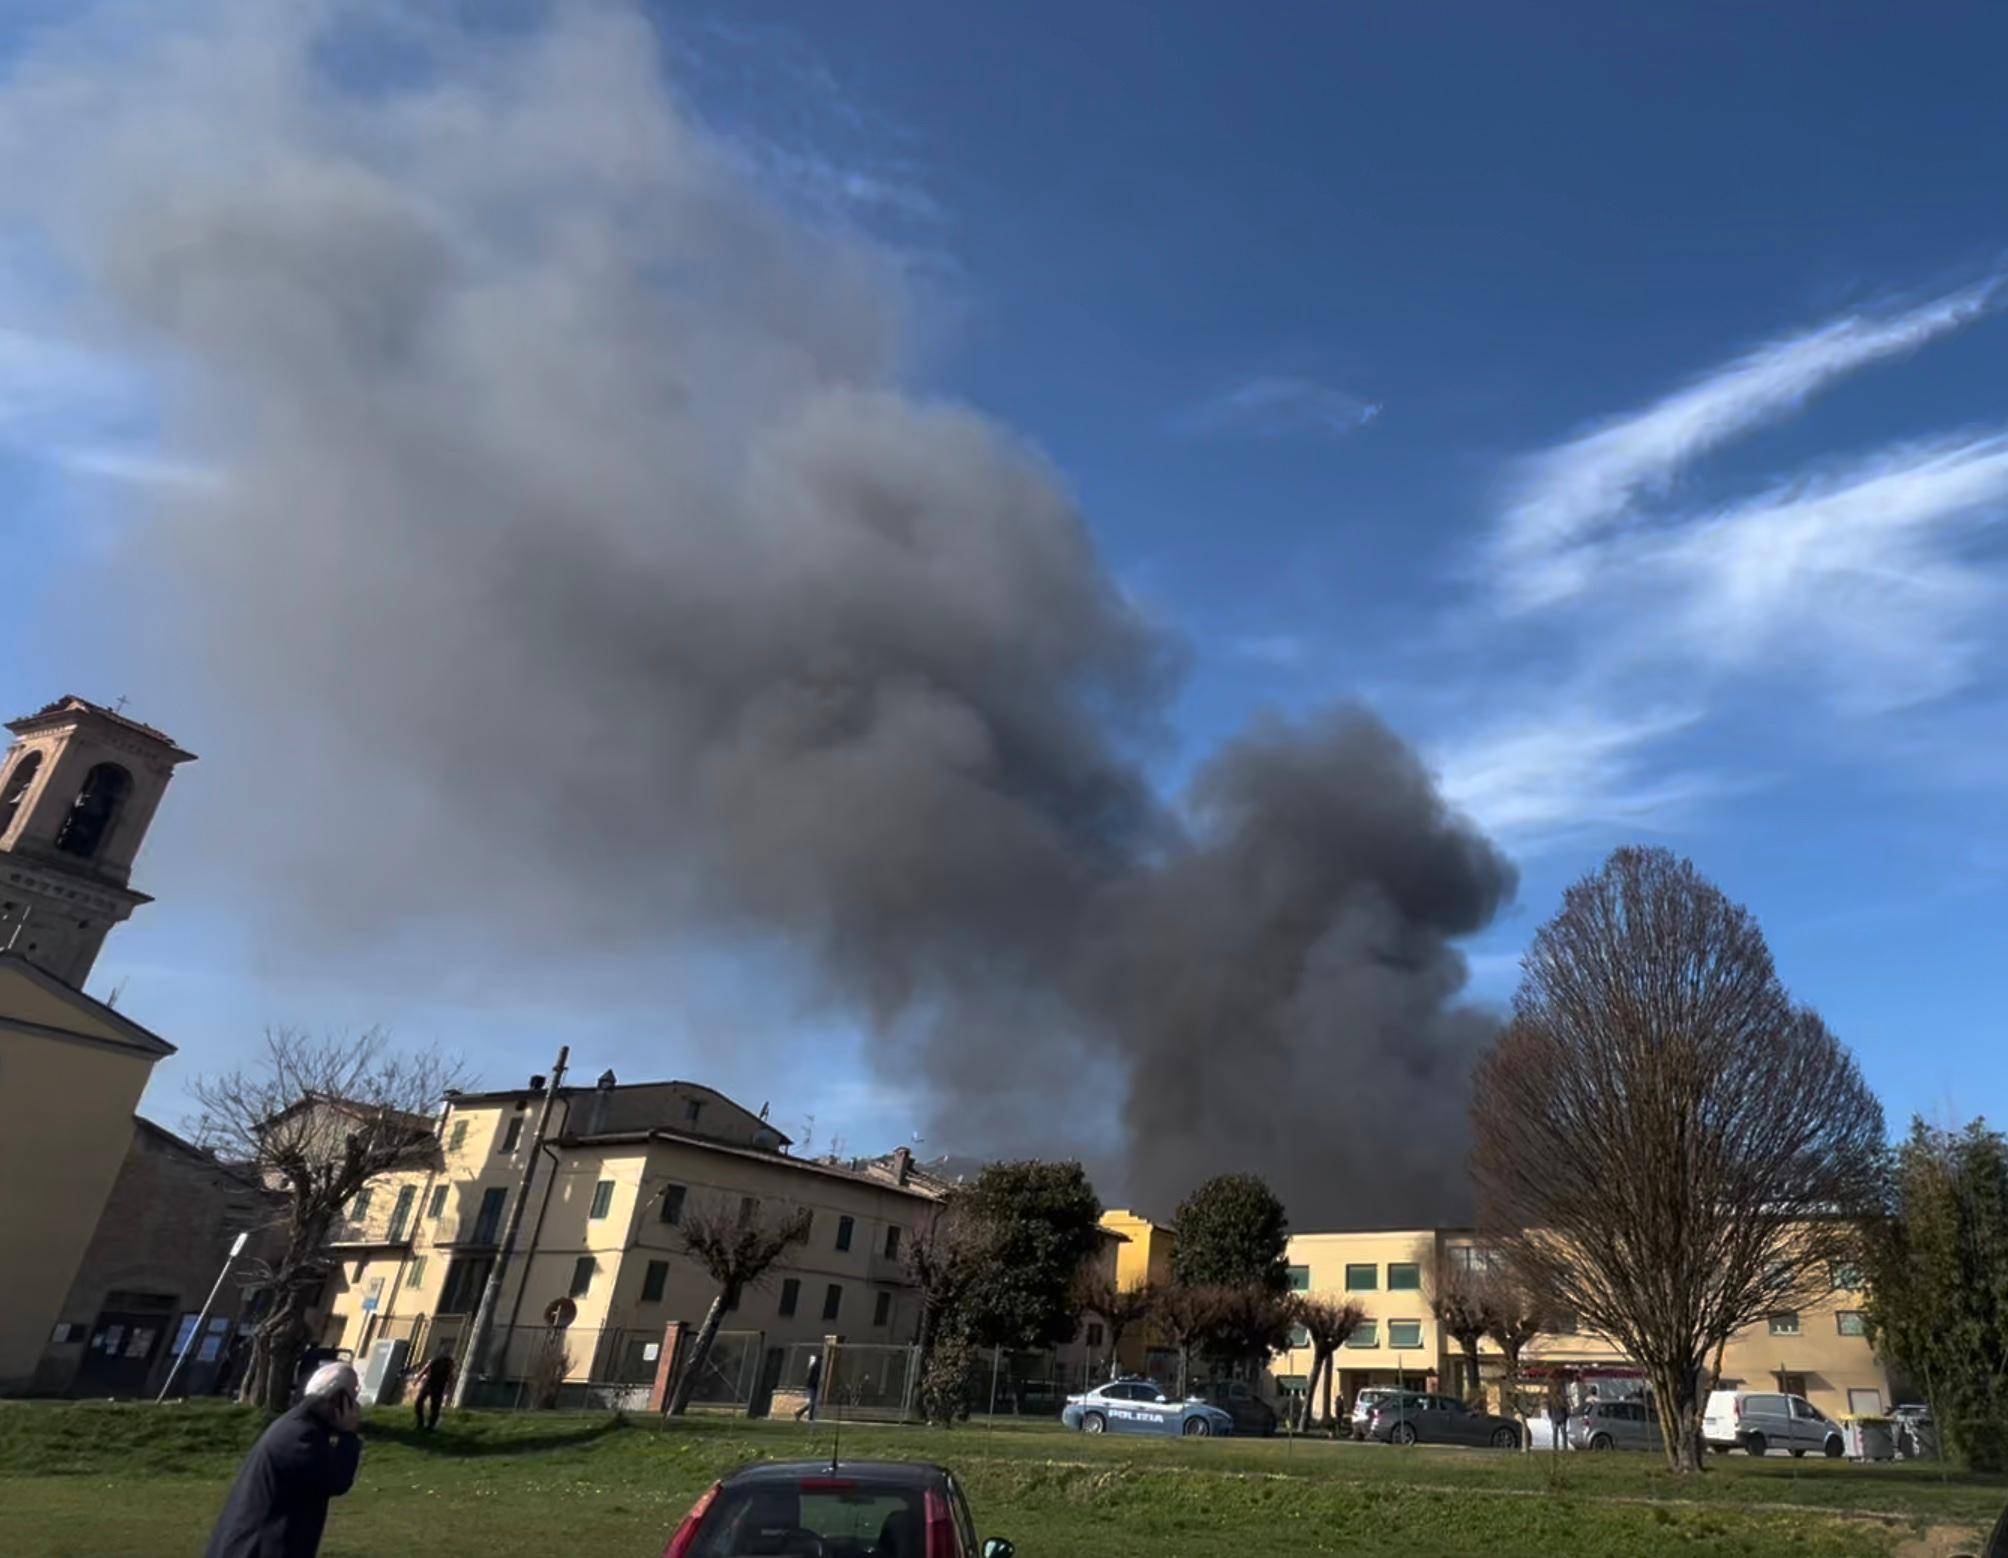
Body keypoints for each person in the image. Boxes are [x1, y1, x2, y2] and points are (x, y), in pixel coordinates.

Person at [205, 1361, 363, 1558]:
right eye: (352, 1398)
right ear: (337, 1399)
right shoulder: (302, 1436)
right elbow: (337, 1481)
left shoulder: (300, 1426)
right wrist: (348, 1435)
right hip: (257, 1548)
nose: (357, 1407)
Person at [406, 1346, 456, 1431]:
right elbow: (425, 1369)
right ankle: (422, 1423)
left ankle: (429, 1425)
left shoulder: (448, 1363)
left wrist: (451, 1389)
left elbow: (450, 1376)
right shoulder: (436, 1360)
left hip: (437, 1386)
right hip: (430, 1384)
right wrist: (416, 1380)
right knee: (420, 1403)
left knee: (433, 1407)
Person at [794, 1349, 823, 1422]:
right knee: (813, 1402)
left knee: (814, 1402)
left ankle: (802, 1414)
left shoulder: (815, 1366)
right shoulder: (816, 1366)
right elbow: (814, 1377)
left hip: (813, 1386)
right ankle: (808, 1416)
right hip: (812, 1386)